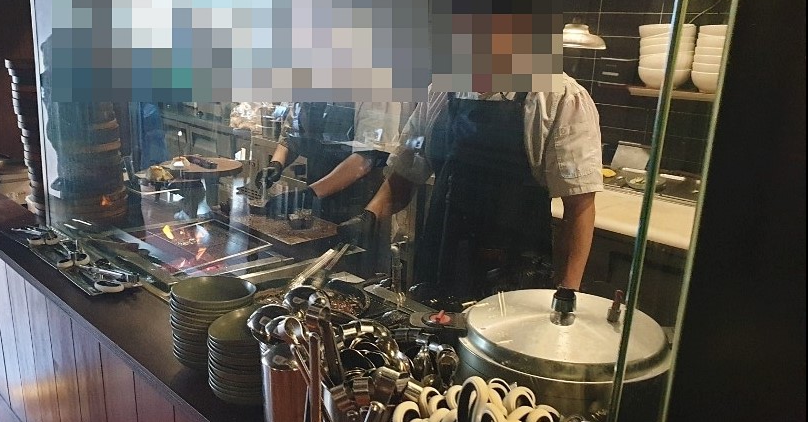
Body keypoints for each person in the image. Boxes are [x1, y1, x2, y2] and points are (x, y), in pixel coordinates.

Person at [339, 74, 602, 307]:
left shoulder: (559, 96)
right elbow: (406, 171)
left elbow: (579, 206)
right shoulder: (440, 90)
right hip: (439, 262)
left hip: (514, 277)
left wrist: (566, 294)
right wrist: (367, 219)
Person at [256, 101, 413, 225]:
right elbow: (292, 134)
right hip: (316, 198)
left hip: (359, 206)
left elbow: (366, 157)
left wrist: (309, 194)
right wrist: (276, 163)